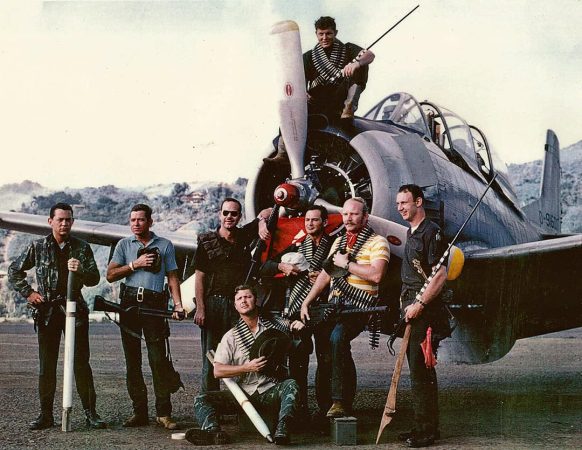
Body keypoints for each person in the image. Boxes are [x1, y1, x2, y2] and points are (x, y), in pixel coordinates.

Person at [8, 202, 106, 430]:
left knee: (81, 363)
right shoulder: (38, 246)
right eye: (60, 219)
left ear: (72, 221)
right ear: (50, 221)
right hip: (48, 312)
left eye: (68, 219)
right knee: (47, 365)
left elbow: (94, 278)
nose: (64, 223)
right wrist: (29, 293)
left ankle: (91, 413)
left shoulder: (81, 247)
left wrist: (80, 269)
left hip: (75, 311)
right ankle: (46, 415)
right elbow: (15, 270)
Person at [300, 197, 389, 418]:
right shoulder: (339, 242)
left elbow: (377, 275)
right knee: (324, 347)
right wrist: (307, 301)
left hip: (359, 307)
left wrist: (347, 265)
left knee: (338, 339)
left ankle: (340, 401)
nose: (349, 218)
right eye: (345, 214)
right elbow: (326, 274)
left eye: (354, 214)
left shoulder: (378, 242)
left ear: (365, 216)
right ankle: (324, 405)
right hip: (334, 305)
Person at [106, 203, 184, 430]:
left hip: (154, 304)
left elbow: (172, 277)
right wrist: (134, 264)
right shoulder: (123, 244)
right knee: (132, 362)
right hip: (129, 303)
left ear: (150, 221)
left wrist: (178, 304)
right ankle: (139, 412)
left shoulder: (165, 245)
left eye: (140, 220)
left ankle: (163, 413)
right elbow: (110, 275)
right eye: (132, 220)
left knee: (158, 360)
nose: (136, 224)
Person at [192, 284, 301, 445]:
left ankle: (283, 429)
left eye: (248, 296)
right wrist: (246, 368)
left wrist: (298, 327)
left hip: (269, 390)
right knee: (201, 399)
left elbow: (297, 341)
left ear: (255, 300)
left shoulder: (273, 327)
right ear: (235, 306)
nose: (244, 301)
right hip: (242, 394)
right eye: (239, 298)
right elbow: (218, 371)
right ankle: (213, 432)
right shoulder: (231, 336)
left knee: (291, 385)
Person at [265, 16, 374, 164]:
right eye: (321, 34)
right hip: (318, 99)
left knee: (360, 67)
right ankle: (283, 152)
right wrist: (301, 92)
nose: (324, 38)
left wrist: (355, 64)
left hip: (339, 97)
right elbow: (297, 78)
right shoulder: (309, 57)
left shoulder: (347, 49)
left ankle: (349, 107)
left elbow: (369, 54)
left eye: (328, 33)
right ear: (316, 34)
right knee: (291, 113)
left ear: (335, 33)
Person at [259, 205, 333, 417]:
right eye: (307, 219)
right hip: (296, 311)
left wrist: (324, 278)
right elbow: (265, 267)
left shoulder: (332, 247)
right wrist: (282, 268)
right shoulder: (298, 246)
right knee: (298, 361)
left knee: (325, 360)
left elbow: (342, 273)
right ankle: (299, 408)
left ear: (325, 222)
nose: (310, 223)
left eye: (315, 220)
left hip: (323, 309)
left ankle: (326, 409)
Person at [192, 198, 271, 393]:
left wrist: (261, 222)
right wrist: (201, 308)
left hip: (239, 306)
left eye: (234, 214)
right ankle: (210, 405)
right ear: (220, 214)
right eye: (225, 213)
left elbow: (269, 210)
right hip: (214, 305)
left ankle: (242, 404)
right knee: (211, 357)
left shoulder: (244, 235)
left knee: (243, 354)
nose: (229, 217)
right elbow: (199, 277)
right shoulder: (206, 241)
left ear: (239, 216)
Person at [395, 184, 448, 448]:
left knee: (422, 371)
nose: (400, 208)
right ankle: (423, 426)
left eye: (404, 203)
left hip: (423, 311)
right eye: (398, 204)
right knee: (418, 371)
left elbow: (439, 276)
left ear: (419, 202)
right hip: (411, 309)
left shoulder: (432, 233)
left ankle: (426, 431)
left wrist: (420, 304)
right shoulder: (411, 231)